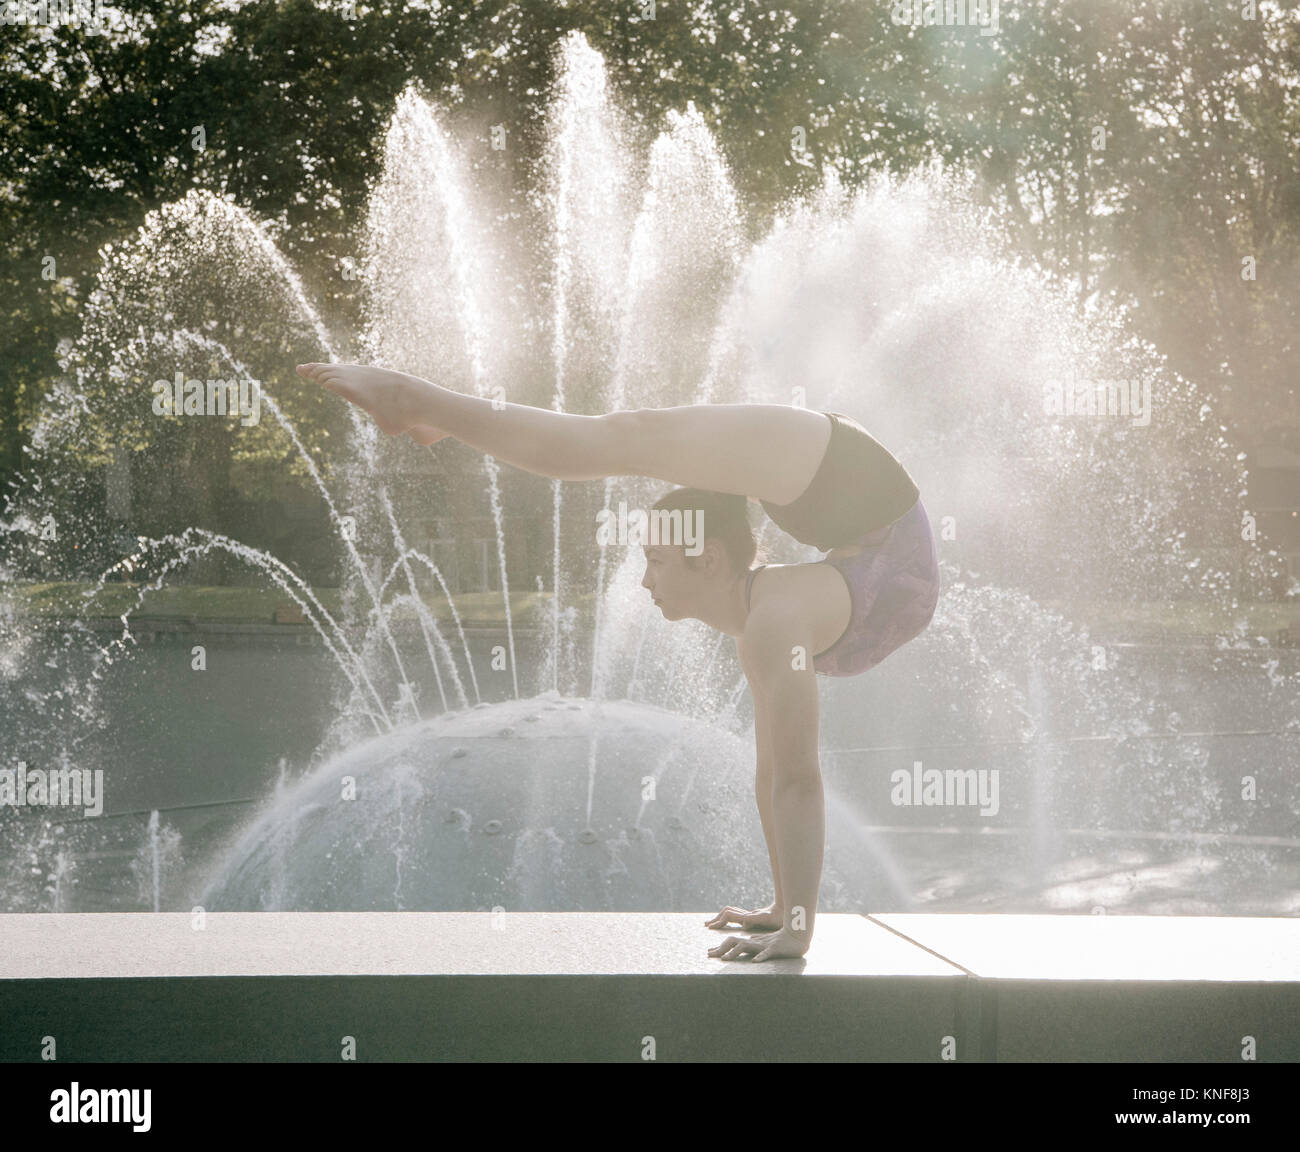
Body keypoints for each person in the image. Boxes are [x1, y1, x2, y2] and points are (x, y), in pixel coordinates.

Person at [296, 362, 941, 962]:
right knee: (626, 438)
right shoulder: (766, 618)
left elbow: (800, 781)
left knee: (626, 436)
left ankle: (421, 403)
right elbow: (772, 773)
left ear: (708, 558)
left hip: (844, 487)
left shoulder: (773, 622)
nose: (642, 583)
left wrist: (797, 931)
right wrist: (783, 910)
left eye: (655, 561)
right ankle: (437, 414)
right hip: (850, 510)